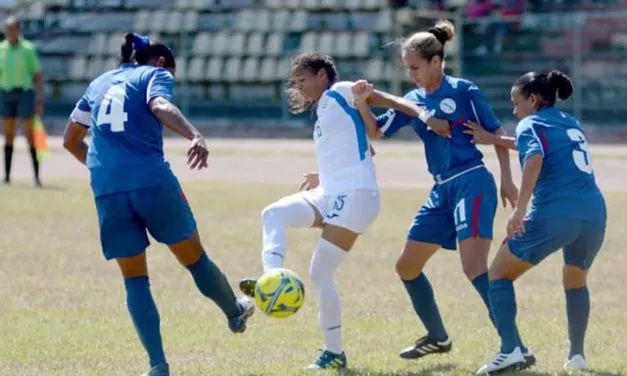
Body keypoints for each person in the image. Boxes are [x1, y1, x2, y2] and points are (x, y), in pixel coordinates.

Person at [62, 33, 254, 376]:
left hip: (107, 189)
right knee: (194, 258)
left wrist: (102, 170)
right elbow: (159, 105)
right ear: (161, 62)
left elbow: (70, 140)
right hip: (151, 182)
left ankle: (158, 366)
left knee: (135, 279)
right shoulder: (154, 75)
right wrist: (194, 134)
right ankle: (234, 312)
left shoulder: (98, 83)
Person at [351, 19, 536, 365]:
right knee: (407, 267)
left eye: (416, 68)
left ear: (437, 61)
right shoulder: (412, 100)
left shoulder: (465, 91)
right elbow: (375, 131)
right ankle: (438, 337)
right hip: (441, 190)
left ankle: (515, 348)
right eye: (407, 68)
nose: (412, 75)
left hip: (471, 181)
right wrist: (363, 103)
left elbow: (496, 135)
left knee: (475, 267)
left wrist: (506, 179)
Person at [237, 51, 436, 371]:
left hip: (356, 195)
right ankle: (270, 279)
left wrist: (424, 115)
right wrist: (324, 172)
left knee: (319, 272)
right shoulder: (327, 110)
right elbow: (364, 148)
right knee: (273, 213)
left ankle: (334, 352)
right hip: (331, 191)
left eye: (303, 80)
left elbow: (393, 101)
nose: (299, 87)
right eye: (296, 82)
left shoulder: (342, 90)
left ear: (321, 75)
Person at [465, 70, 606, 375]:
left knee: (498, 275)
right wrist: (494, 139)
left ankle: (510, 350)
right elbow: (540, 144)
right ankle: (577, 357)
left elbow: (535, 157)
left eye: (516, 103)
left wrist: (520, 210)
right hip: (594, 214)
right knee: (575, 281)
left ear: (533, 99)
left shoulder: (529, 122)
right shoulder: (570, 122)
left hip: (555, 213)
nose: (514, 111)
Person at [0, 16, 45, 186]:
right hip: (6, 94)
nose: (9, 33)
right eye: (7, 30)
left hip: (24, 94)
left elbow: (38, 75)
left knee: (29, 135)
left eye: (12, 29)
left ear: (18, 30)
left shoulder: (28, 49)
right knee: (8, 135)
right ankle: (7, 177)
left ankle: (36, 177)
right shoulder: (1, 49)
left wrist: (39, 100)